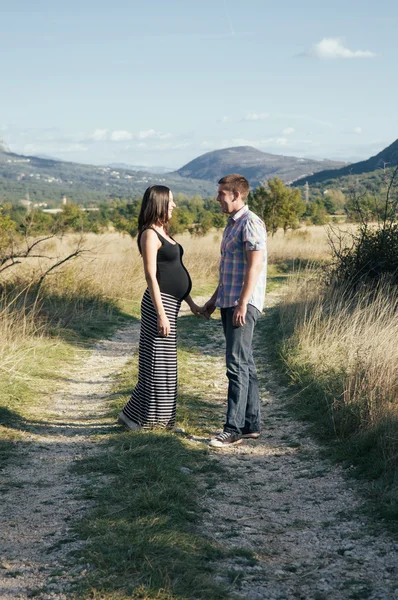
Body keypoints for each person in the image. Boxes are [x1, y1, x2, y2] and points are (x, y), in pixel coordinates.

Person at [118, 185, 200, 430]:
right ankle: (146, 421)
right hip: (159, 305)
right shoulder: (150, 235)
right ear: (159, 203)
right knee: (155, 364)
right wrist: (162, 314)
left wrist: (192, 303)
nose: (174, 205)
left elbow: (174, 274)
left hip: (171, 304)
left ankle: (155, 419)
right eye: (170, 201)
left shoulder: (163, 232)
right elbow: (151, 276)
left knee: (166, 365)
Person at [201, 174, 267, 447]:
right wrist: (214, 300)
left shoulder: (250, 223)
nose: (217, 198)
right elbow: (229, 270)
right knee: (245, 363)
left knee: (235, 366)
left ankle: (233, 428)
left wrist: (242, 302)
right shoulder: (232, 225)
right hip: (229, 301)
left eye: (221, 194)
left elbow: (254, 266)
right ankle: (251, 424)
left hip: (242, 304)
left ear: (236, 195)